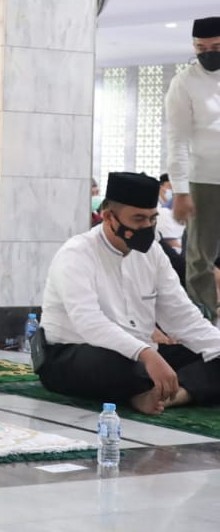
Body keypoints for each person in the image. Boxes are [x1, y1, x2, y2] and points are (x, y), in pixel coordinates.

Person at [36, 172, 220, 414]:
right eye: (138, 219)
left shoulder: (153, 254)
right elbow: (89, 323)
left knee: (208, 355)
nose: (147, 227)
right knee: (113, 364)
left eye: (152, 219)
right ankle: (159, 387)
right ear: (108, 217)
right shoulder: (76, 253)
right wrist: (144, 354)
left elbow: (182, 317)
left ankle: (175, 394)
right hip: (76, 353)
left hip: (142, 354)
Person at [167, 16, 220, 318]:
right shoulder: (185, 82)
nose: (208, 53)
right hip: (204, 180)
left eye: (216, 46)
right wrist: (181, 190)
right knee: (200, 259)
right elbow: (177, 140)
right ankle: (203, 327)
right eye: (201, 48)